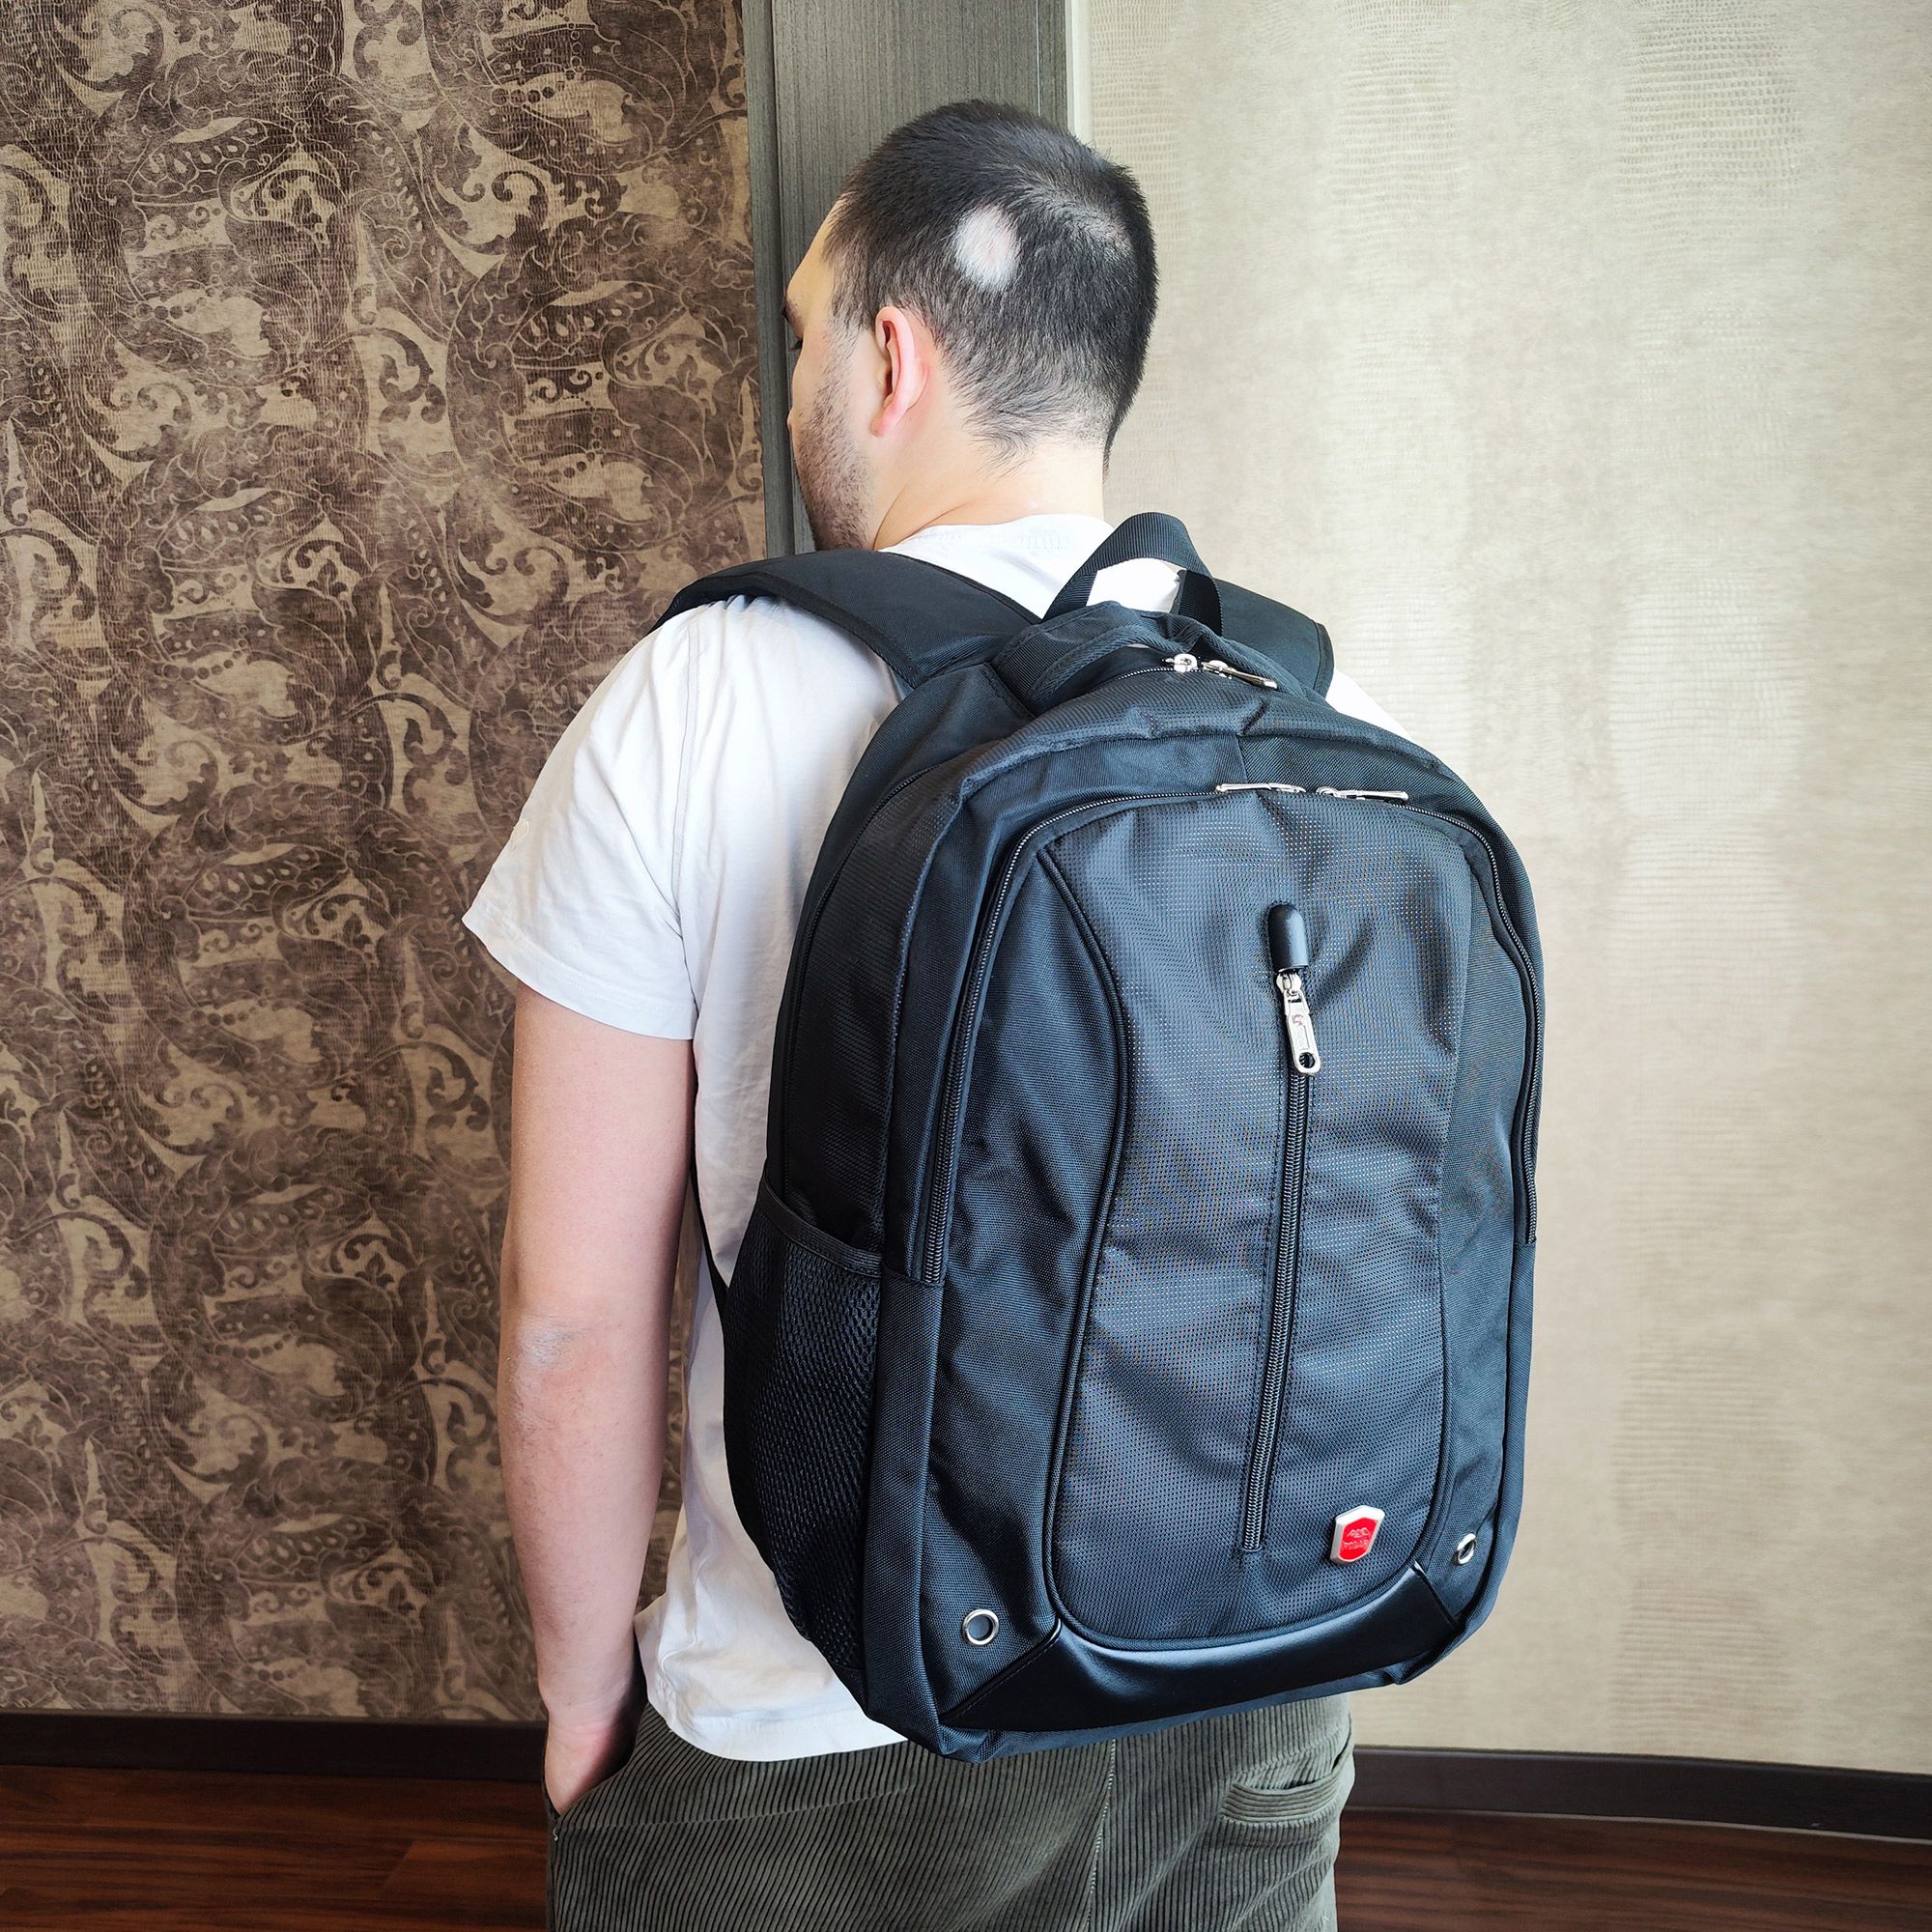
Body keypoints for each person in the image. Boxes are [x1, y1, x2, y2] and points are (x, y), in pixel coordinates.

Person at [463, 97, 1411, 1932]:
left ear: (890, 356)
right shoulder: (1321, 708)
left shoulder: (692, 699)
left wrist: (583, 1693)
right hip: (1256, 1657)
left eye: (804, 334)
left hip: (826, 1702)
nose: (795, 384)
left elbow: (571, 1322)